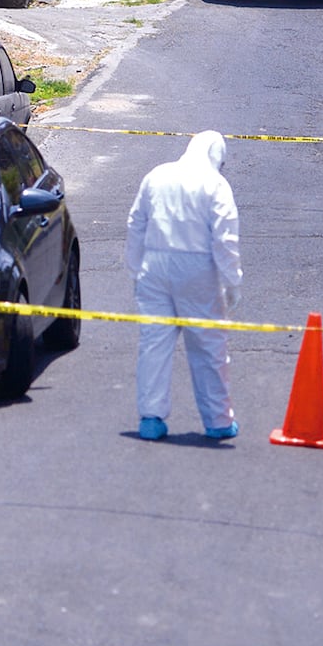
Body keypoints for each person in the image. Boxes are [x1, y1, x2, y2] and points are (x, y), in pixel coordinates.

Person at [125, 131, 242, 442]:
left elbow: (136, 223)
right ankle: (217, 420)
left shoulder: (157, 175)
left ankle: (151, 417)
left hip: (154, 267)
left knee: (154, 345)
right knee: (208, 345)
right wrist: (232, 281)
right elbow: (225, 238)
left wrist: (136, 270)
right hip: (197, 270)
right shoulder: (215, 184)